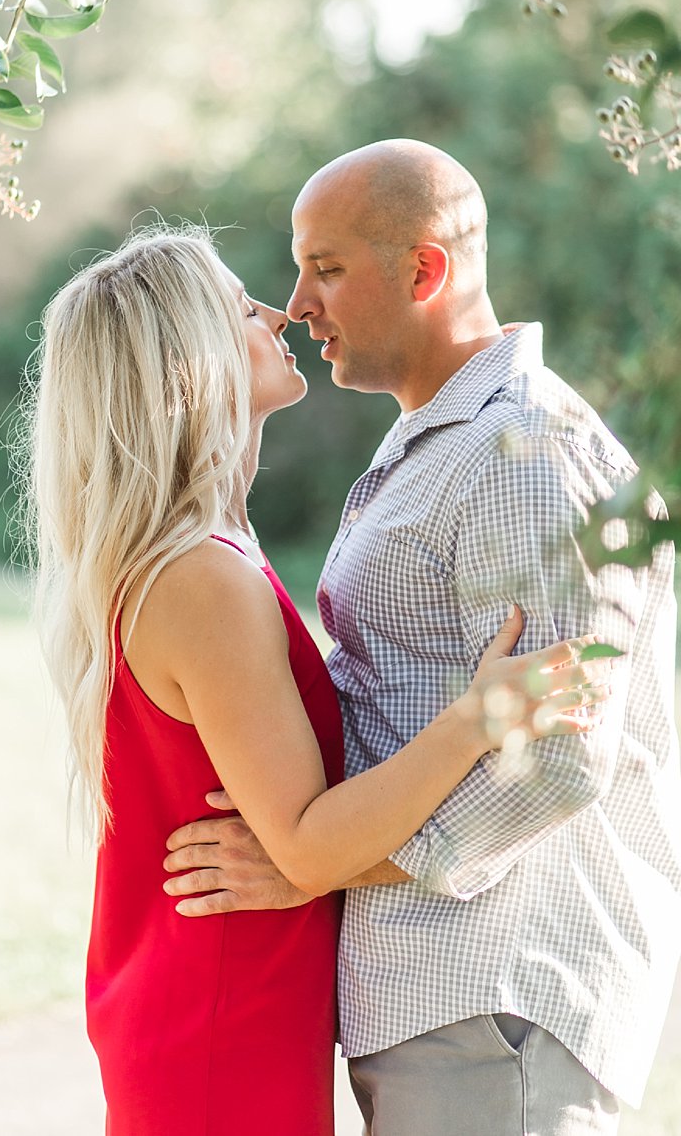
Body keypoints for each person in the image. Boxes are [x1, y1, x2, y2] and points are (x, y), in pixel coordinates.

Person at [24, 225, 597, 1136]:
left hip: (220, 1006)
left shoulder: (200, 560)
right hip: (219, 1024)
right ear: (187, 368)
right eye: (238, 306)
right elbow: (303, 845)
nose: (278, 310)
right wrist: (478, 718)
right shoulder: (201, 578)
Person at [156, 142, 681, 1135]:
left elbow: (562, 755)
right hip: (447, 1007)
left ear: (424, 271)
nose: (295, 303)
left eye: (326, 268)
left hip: (499, 999)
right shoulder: (444, 444)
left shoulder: (522, 453)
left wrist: (317, 859)